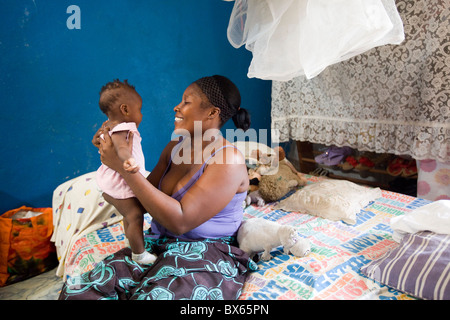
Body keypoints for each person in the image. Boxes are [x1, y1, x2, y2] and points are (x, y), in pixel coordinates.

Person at [59, 75, 257, 300]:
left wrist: (125, 169)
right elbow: (142, 199)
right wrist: (113, 157)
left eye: (186, 101)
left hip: (205, 252)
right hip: (157, 245)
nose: (177, 106)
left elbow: (180, 222)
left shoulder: (228, 159)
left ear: (212, 112)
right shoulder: (175, 146)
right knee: (80, 292)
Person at [95, 79, 157, 265]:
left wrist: (99, 139)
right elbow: (122, 148)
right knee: (135, 215)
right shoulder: (124, 127)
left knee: (129, 216)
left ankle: (132, 242)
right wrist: (127, 159)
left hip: (110, 181)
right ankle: (139, 254)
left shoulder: (108, 125)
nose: (141, 114)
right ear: (125, 110)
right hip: (119, 180)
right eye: (139, 109)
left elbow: (95, 141)